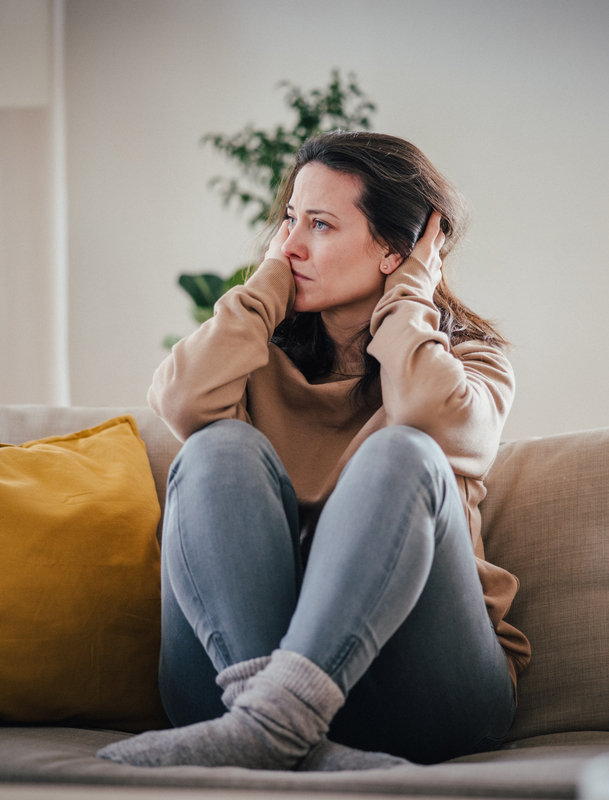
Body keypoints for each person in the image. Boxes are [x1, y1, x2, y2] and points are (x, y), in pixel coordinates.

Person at [98, 131, 530, 772]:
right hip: (234, 679)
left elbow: (427, 418)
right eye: (290, 220)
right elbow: (181, 399)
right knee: (216, 448)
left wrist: (409, 298)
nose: (291, 245)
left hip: (422, 690)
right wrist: (266, 287)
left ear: (396, 250)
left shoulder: (468, 365)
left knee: (403, 453)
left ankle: (271, 730)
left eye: (320, 225)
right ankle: (276, 723)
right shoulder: (254, 358)